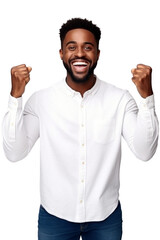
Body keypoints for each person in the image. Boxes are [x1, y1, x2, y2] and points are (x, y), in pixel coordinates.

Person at [2, 18, 158, 240]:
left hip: (106, 217)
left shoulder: (120, 100)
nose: (80, 53)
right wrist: (15, 97)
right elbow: (14, 153)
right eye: (72, 47)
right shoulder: (41, 101)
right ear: (62, 53)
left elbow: (145, 152)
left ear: (97, 53)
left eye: (88, 47)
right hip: (54, 216)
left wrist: (146, 98)